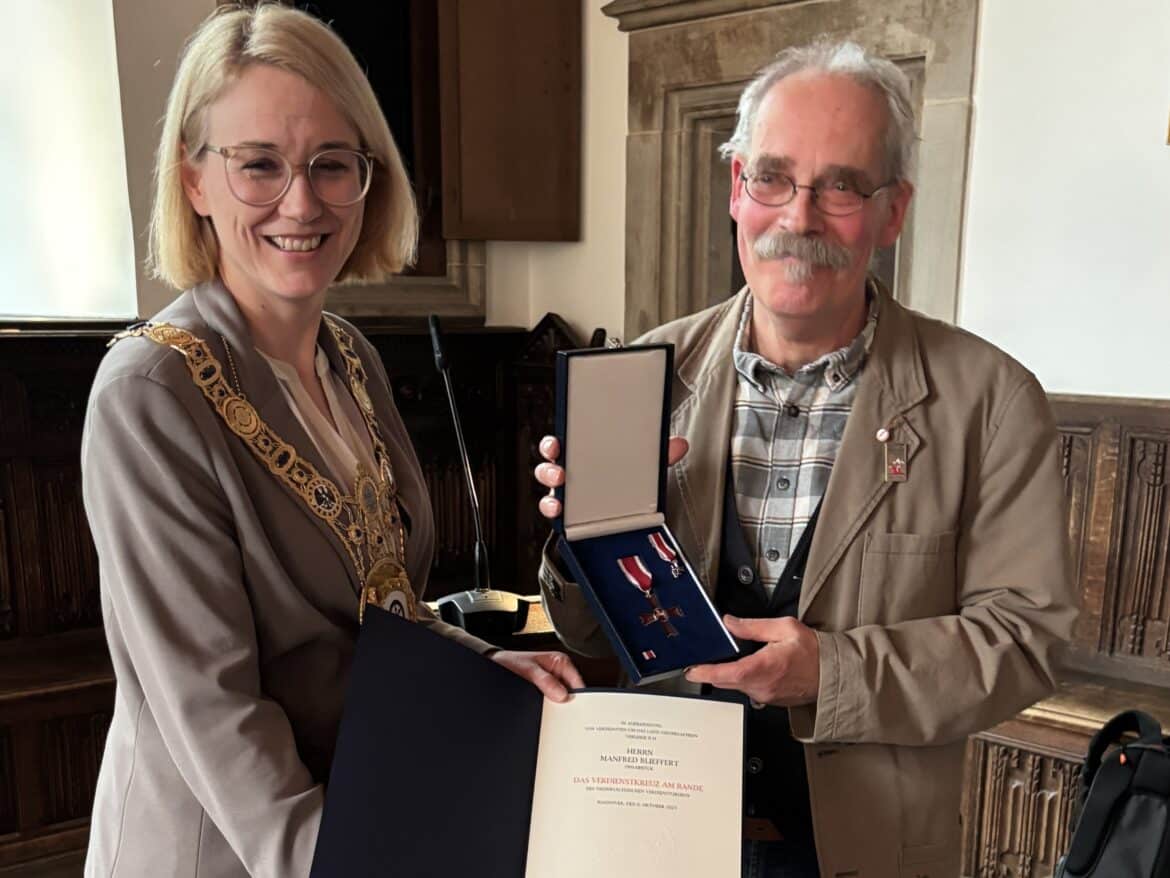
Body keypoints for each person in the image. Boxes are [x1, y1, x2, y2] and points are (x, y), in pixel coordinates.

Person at [534, 39, 1078, 878]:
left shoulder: (991, 400)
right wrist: (581, 541)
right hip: (654, 837)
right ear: (737, 189)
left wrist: (832, 673)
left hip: (867, 848)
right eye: (774, 178)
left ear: (894, 211)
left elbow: (1026, 638)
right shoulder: (644, 374)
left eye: (843, 187)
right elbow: (590, 636)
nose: (799, 218)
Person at [81, 5, 582, 876]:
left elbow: (380, 614)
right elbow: (211, 708)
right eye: (259, 166)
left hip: (365, 806)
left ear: (368, 179)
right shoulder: (149, 393)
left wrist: (485, 661)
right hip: (229, 850)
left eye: (330, 165)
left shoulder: (348, 356)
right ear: (194, 180)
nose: (301, 202)